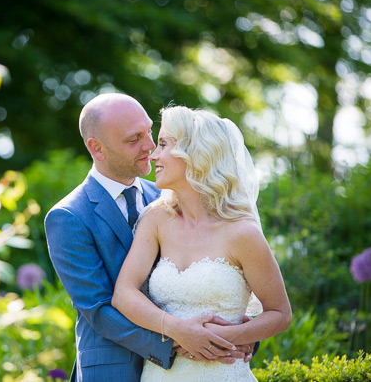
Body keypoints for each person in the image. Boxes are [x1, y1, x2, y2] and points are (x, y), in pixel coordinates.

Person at [45, 94, 252, 382]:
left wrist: (231, 332)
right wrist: (176, 341)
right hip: (114, 370)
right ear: (97, 148)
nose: (151, 146)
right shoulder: (69, 216)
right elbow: (99, 308)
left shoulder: (171, 194)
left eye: (149, 132)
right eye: (134, 139)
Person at [112, 106, 292, 381]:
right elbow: (123, 293)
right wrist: (177, 330)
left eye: (164, 144)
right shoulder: (156, 219)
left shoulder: (242, 233)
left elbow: (280, 313)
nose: (155, 154)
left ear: (196, 153)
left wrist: (227, 337)